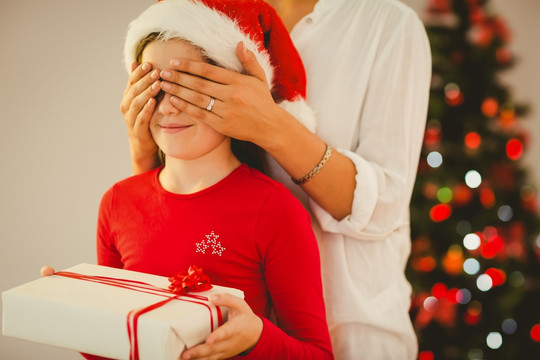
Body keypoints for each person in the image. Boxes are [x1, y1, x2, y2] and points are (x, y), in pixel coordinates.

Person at [123, 0, 432, 359]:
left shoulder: (385, 23)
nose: (169, 106)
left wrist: (273, 126)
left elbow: (385, 207)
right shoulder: (202, 11)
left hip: (353, 331)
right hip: (214, 334)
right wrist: (143, 153)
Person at [44, 1, 333, 359]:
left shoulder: (274, 210)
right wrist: (68, 316)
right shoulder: (117, 203)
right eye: (154, 86)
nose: (167, 107)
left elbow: (317, 353)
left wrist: (257, 337)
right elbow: (118, 344)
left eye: (186, 86)